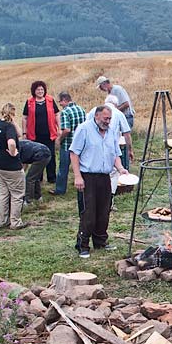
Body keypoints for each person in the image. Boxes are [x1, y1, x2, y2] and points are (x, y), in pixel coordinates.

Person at [70, 106, 129, 258]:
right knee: (88, 212)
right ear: (96, 116)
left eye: (109, 119)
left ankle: (100, 241)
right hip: (87, 176)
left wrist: (121, 168)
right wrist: (77, 176)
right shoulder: (84, 129)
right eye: (105, 118)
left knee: (104, 211)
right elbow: (74, 153)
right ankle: (82, 245)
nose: (107, 122)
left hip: (105, 176)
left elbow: (115, 154)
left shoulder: (111, 132)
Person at [0, 103, 27, 230]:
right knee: (17, 194)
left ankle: (1, 221)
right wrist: (13, 152)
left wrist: (13, 122)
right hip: (10, 167)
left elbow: (19, 134)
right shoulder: (8, 127)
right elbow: (12, 142)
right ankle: (15, 222)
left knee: (2, 195)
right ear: (13, 113)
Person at [22, 80, 60, 184]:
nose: (40, 91)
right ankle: (38, 178)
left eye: (42, 89)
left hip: (49, 134)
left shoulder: (50, 100)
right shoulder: (29, 102)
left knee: (51, 156)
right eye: (38, 90)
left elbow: (57, 114)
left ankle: (52, 178)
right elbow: (24, 117)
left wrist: (59, 128)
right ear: (34, 91)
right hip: (34, 135)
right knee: (38, 157)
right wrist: (24, 133)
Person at [52, 92, 85, 196]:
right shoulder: (81, 109)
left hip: (68, 145)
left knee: (63, 168)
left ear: (65, 100)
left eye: (60, 102)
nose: (60, 104)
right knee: (82, 167)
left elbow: (66, 130)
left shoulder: (65, 112)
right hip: (81, 144)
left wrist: (59, 139)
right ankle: (83, 186)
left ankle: (60, 190)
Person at [104, 94, 135, 171]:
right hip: (112, 147)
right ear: (115, 104)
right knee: (113, 171)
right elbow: (126, 134)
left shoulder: (94, 111)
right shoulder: (118, 113)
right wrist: (130, 150)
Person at [18, 139, 52, 204]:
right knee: (36, 177)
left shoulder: (17, 149)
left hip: (41, 155)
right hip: (46, 152)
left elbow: (22, 164)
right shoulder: (21, 144)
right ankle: (38, 197)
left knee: (30, 178)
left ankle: (28, 201)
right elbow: (24, 163)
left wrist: (21, 174)